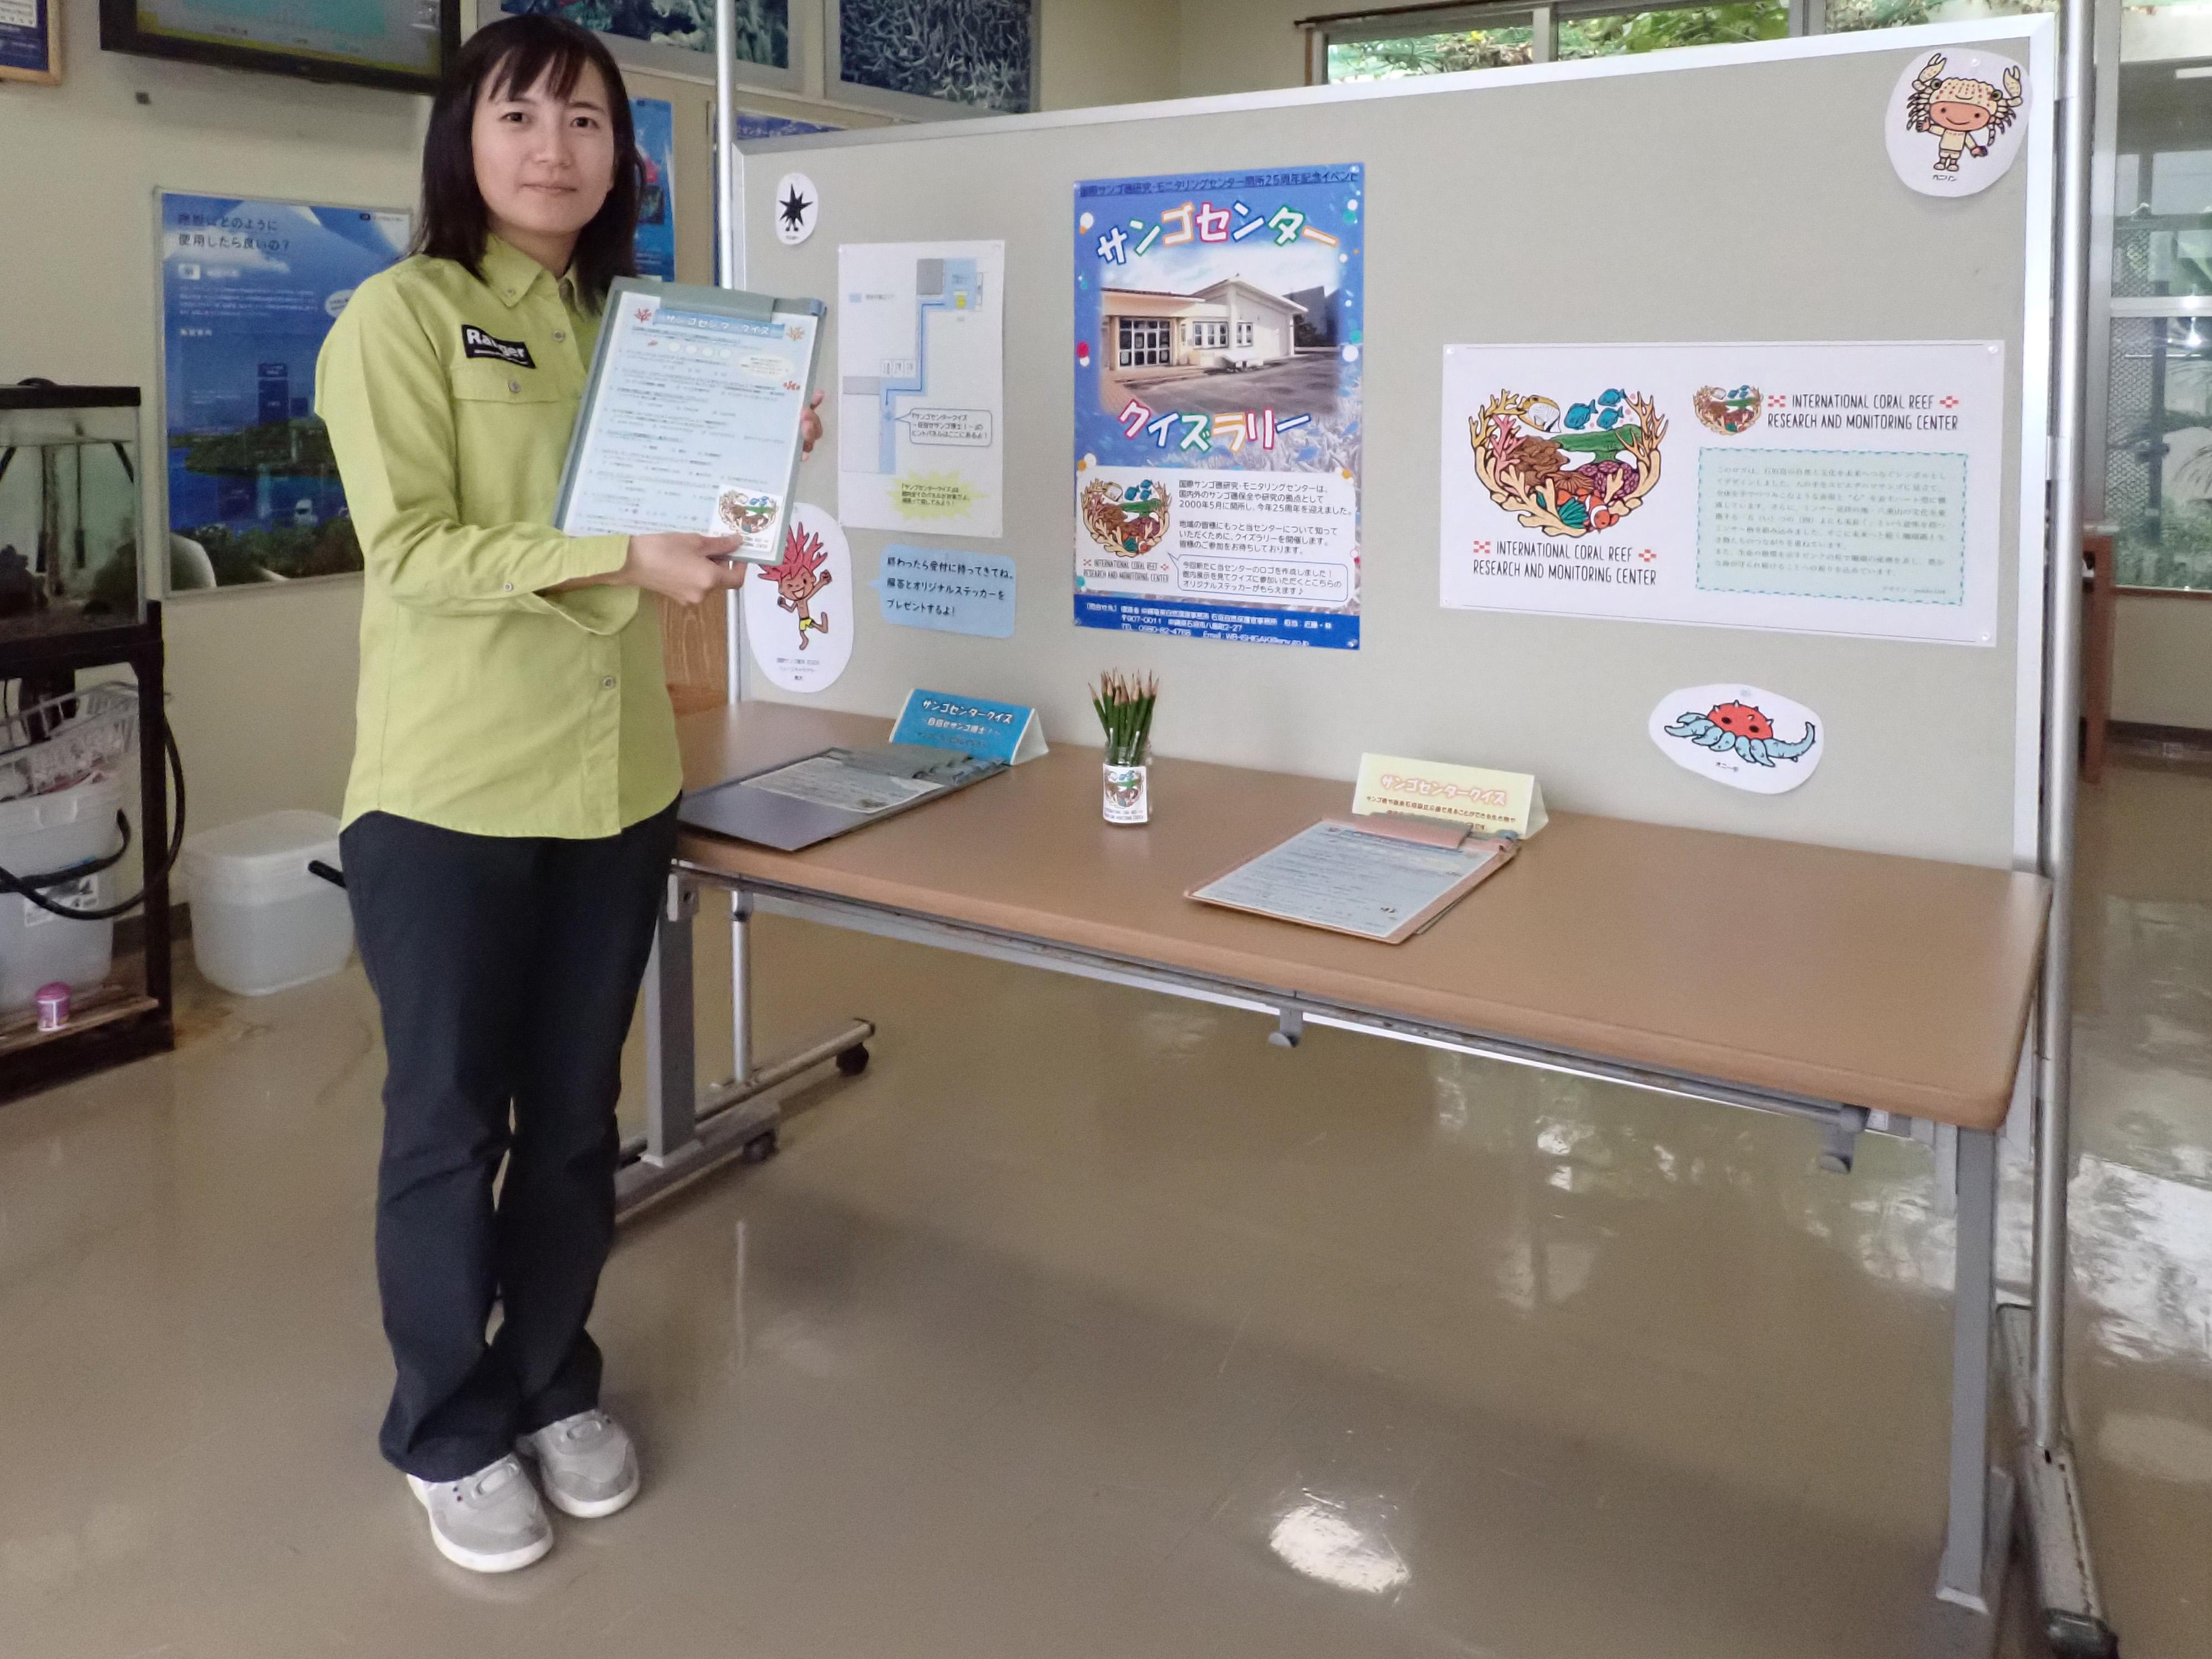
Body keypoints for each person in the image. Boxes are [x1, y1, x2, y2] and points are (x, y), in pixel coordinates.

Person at [314, 15, 820, 1575]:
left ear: (624, 158)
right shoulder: (403, 317)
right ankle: (446, 1427)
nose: (556, 150)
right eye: (521, 116)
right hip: (450, 793)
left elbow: (685, 533)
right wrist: (622, 552)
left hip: (615, 786)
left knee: (579, 1119)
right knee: (448, 1122)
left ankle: (548, 1380)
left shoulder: (639, 329)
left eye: (589, 121)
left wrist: (757, 461)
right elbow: (414, 554)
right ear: (463, 140)